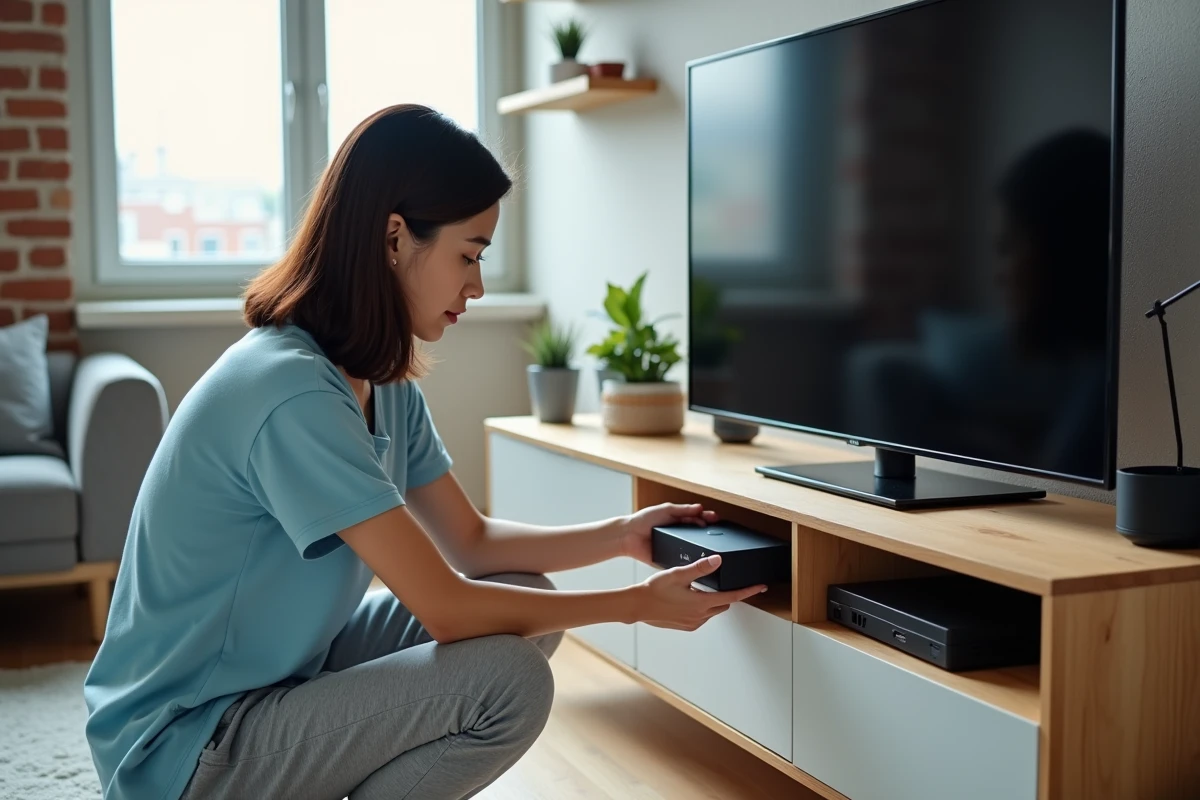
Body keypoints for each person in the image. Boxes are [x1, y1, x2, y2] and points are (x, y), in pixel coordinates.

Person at [83, 104, 765, 800]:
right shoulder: (289, 391)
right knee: (509, 680)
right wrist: (630, 605)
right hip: (185, 745)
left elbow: (470, 541)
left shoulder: (377, 376)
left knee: (525, 598)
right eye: (468, 255)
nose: (477, 285)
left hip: (282, 677)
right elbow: (446, 607)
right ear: (393, 238)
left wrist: (622, 538)